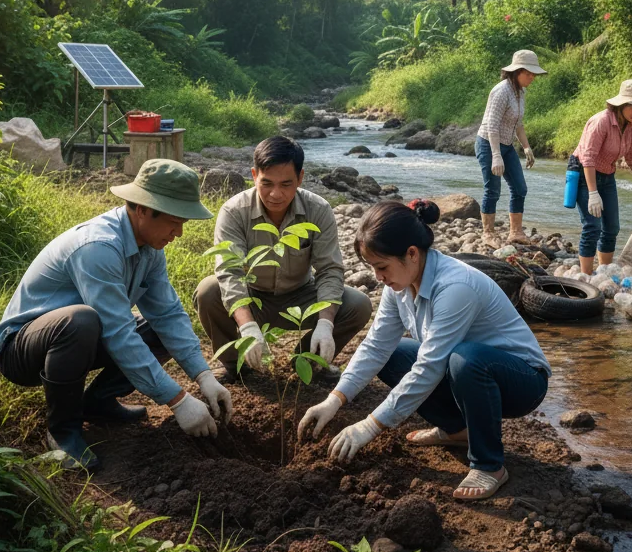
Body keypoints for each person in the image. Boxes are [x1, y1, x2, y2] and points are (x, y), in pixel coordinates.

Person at [0, 159, 233, 472]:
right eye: (174, 221)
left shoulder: (150, 248)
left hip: (77, 341)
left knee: (158, 329)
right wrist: (178, 400)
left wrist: (204, 376)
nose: (180, 233)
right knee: (80, 320)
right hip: (23, 350)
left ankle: (98, 403)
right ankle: (63, 432)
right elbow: (117, 333)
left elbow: (168, 314)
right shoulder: (99, 247)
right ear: (143, 209)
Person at [297, 199, 551, 502]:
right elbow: (376, 346)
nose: (378, 277)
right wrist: (335, 400)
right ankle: (458, 429)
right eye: (373, 268)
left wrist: (370, 425)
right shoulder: (400, 285)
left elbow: (430, 367)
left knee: (465, 359)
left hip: (522, 380)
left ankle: (489, 465)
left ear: (412, 254)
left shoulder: (456, 287)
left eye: (382, 267)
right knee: (394, 355)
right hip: (464, 370)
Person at [196, 135, 372, 383]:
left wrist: (325, 324)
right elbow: (230, 272)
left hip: (301, 296)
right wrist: (247, 327)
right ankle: (235, 366)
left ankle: (307, 361)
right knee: (208, 290)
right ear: (254, 174)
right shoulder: (234, 211)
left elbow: (329, 270)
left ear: (300, 178)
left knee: (358, 304)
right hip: (253, 297)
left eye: (286, 184)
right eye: (266, 183)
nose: (275, 194)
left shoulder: (318, 210)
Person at [573, 79, 632, 275]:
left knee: (612, 227)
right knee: (592, 226)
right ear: (621, 104)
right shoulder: (601, 121)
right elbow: (588, 158)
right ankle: (586, 276)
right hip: (584, 174)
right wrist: (593, 192)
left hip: (607, 176)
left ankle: (603, 272)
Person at [474, 49, 546, 246]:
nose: (532, 77)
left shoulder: (521, 92)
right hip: (489, 144)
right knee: (493, 189)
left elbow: (518, 124)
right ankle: (488, 233)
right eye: (528, 73)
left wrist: (527, 147)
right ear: (516, 72)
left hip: (506, 145)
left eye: (533, 74)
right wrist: (496, 155)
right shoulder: (501, 91)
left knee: (520, 188)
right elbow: (492, 125)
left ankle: (516, 232)